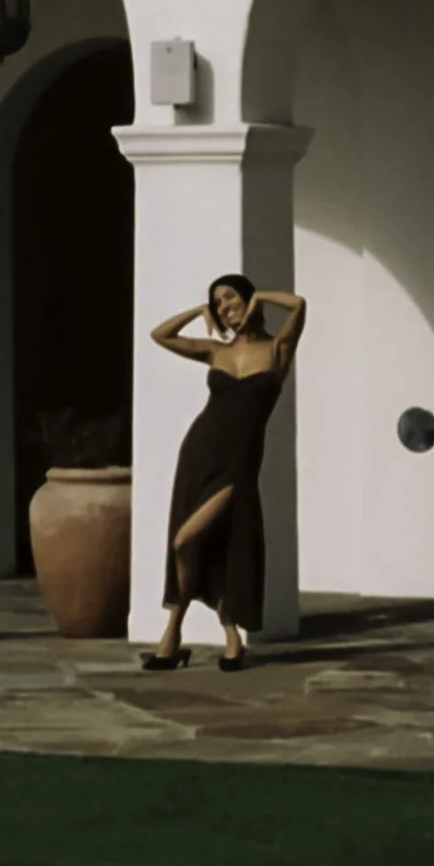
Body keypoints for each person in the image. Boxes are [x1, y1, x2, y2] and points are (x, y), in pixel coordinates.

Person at [140, 273, 306, 673]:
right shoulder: (217, 351)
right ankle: (179, 636)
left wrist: (260, 297)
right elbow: (159, 335)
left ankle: (209, 634)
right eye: (218, 303)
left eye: (230, 298)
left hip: (237, 465)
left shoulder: (278, 350)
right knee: (190, 545)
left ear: (249, 301)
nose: (224, 307)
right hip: (198, 455)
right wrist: (199, 311)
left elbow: (299, 305)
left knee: (192, 542)